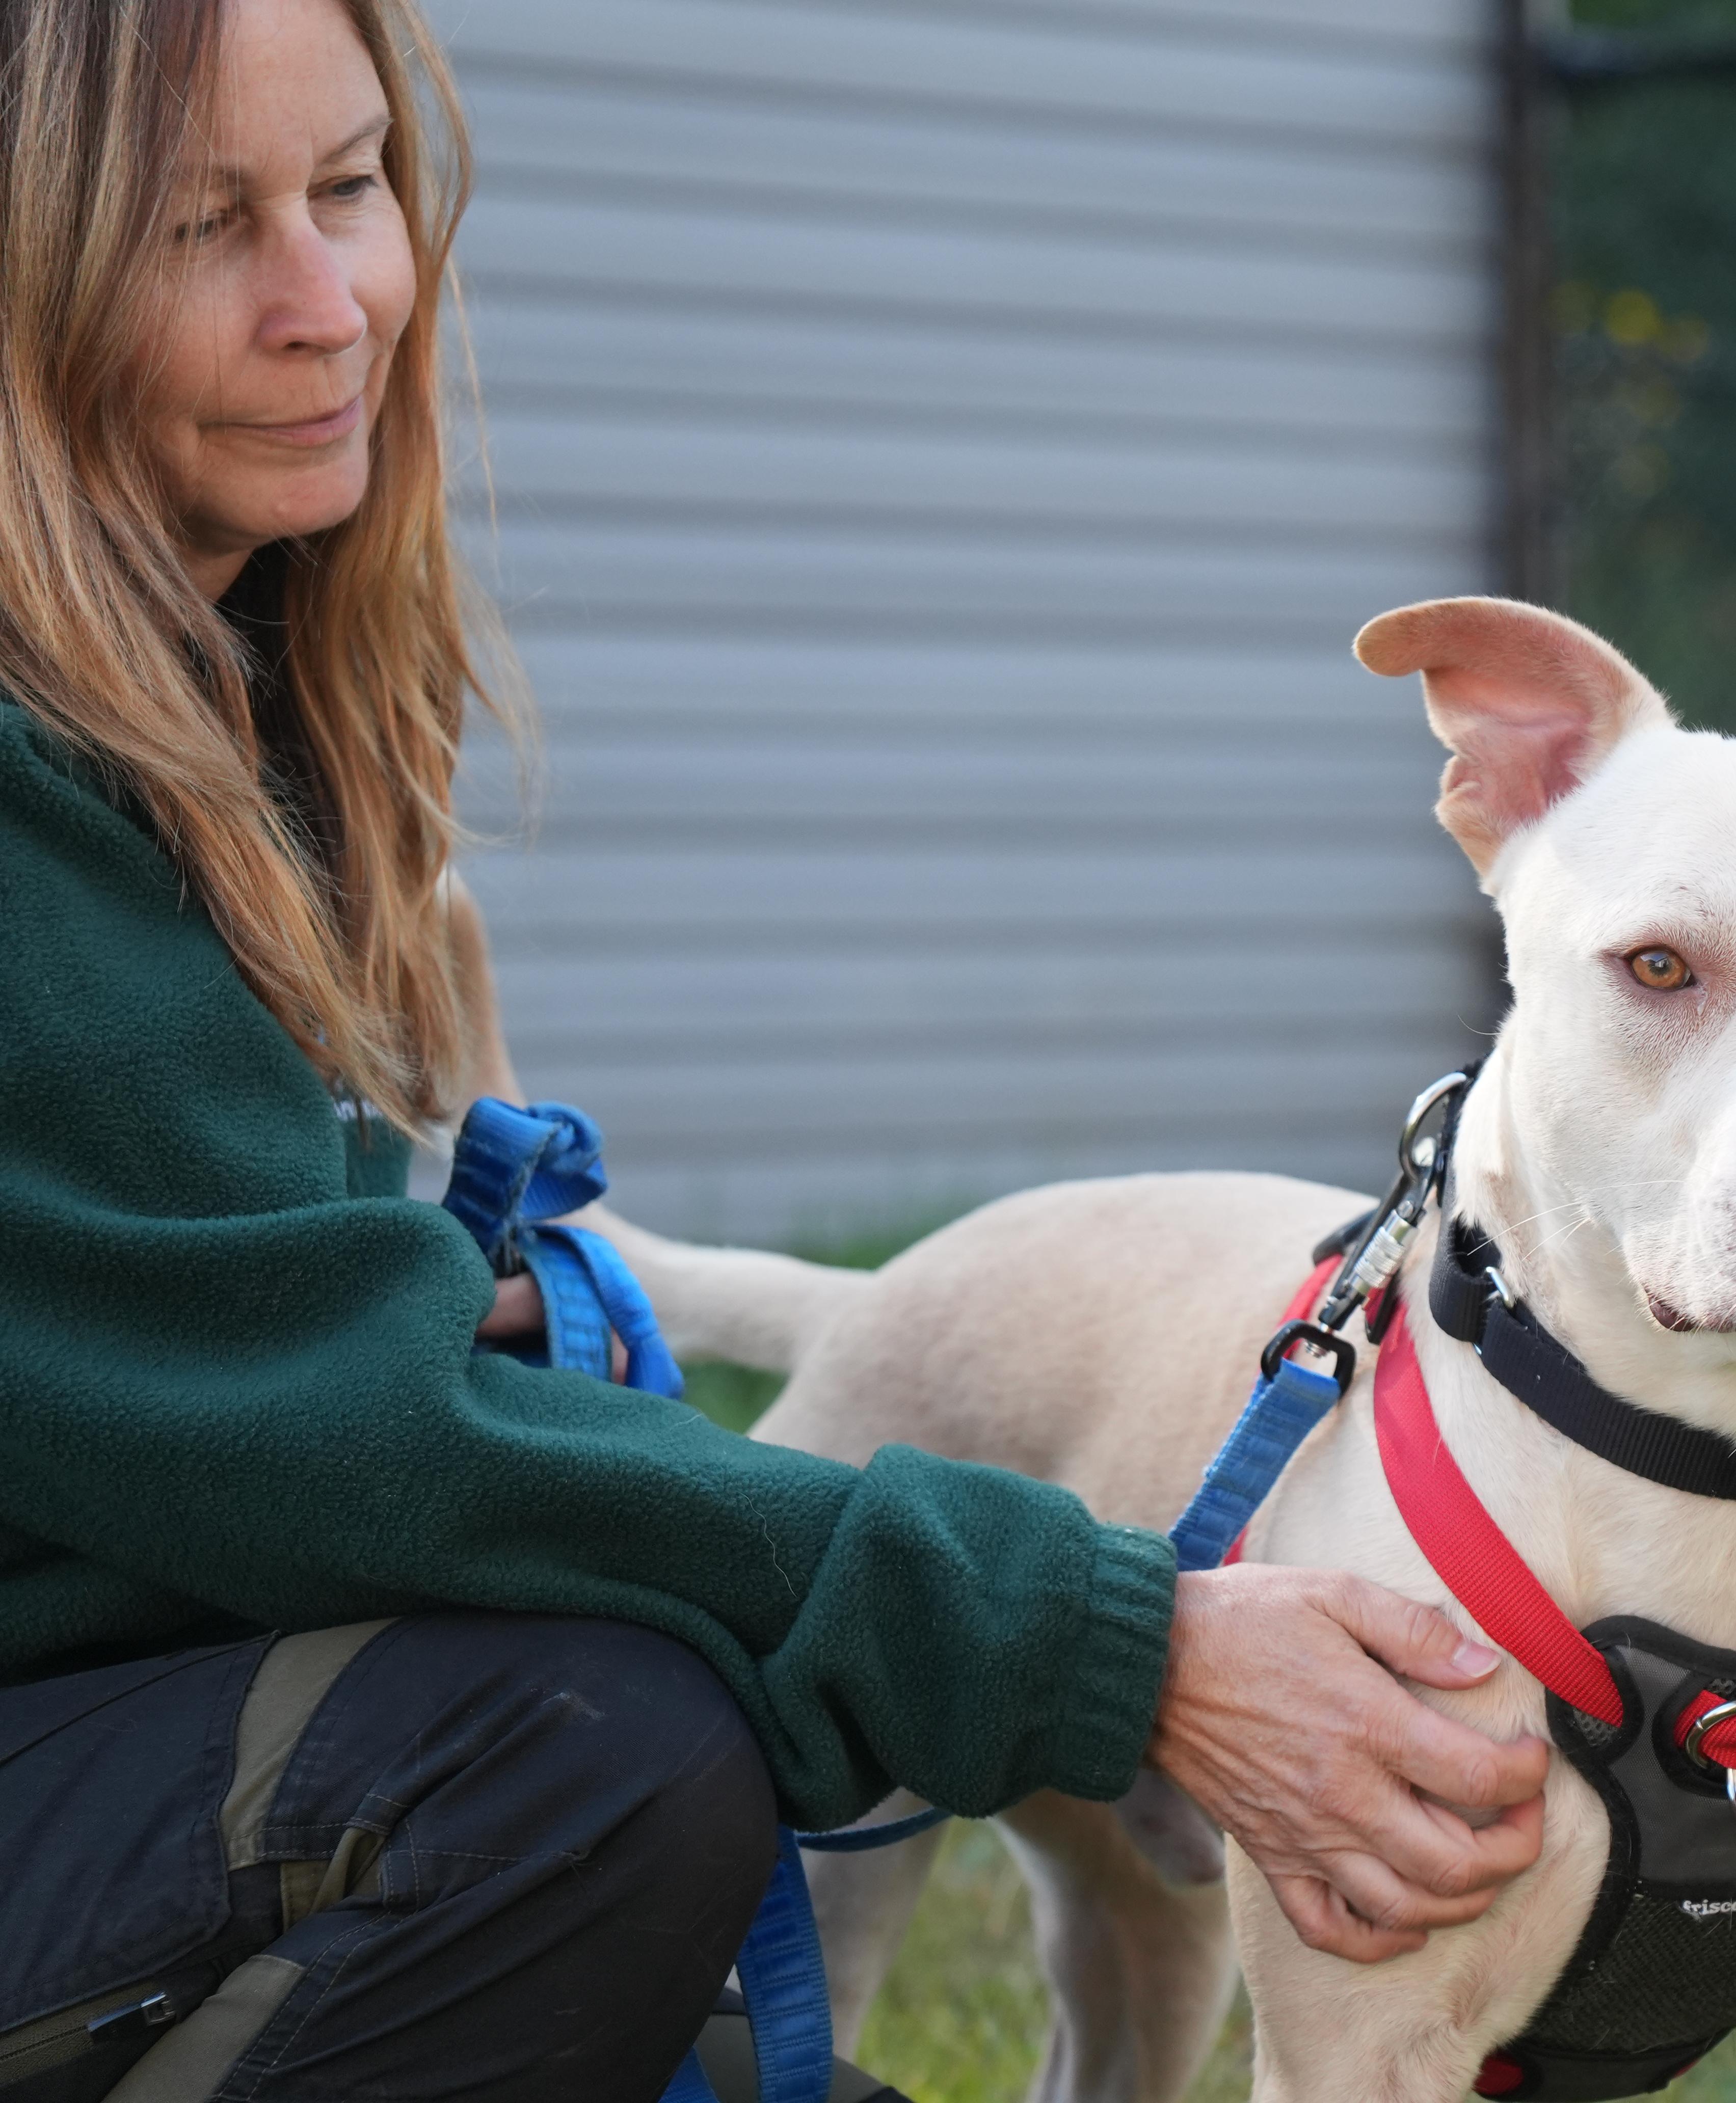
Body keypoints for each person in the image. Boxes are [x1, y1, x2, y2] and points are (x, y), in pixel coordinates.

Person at [0, 1, 1546, 2096]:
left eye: (353, 187)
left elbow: (214, 1369)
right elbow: (340, 1435)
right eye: (206, 227)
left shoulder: (216, 701)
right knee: (576, 1757)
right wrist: (1113, 1646)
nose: (332, 304)